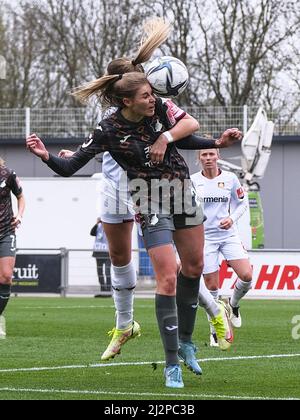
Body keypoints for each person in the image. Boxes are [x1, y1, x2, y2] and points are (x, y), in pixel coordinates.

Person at [26, 71, 242, 388]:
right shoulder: (108, 129)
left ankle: (185, 342)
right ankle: (171, 366)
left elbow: (187, 132)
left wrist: (212, 142)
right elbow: (71, 166)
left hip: (181, 193)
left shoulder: (162, 109)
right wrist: (45, 156)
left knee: (193, 268)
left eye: (153, 95)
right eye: (146, 96)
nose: (152, 99)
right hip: (146, 197)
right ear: (128, 101)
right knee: (167, 277)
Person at [191, 149, 253, 346]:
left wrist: (231, 218)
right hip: (205, 238)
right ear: (198, 158)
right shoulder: (192, 180)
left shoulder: (230, 178)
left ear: (218, 156)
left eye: (211, 154)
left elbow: (242, 204)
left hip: (228, 235)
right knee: (212, 287)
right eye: (204, 155)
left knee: (247, 276)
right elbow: (185, 208)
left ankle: (233, 305)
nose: (208, 158)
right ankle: (215, 330)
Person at [0, 156, 25, 339]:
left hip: (6, 231)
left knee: (6, 276)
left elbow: (21, 197)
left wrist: (20, 215)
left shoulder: (7, 174)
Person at [90, 218, 112, 297]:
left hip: (107, 252)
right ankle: (103, 291)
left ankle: (109, 292)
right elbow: (92, 233)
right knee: (100, 273)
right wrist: (96, 223)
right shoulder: (98, 226)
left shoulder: (110, 226)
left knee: (107, 272)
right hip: (98, 252)